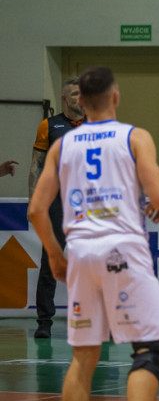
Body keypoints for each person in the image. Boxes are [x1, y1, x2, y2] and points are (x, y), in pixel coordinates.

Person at [27, 66, 159, 401]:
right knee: (149, 350)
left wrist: (56, 255)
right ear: (115, 97)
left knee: (83, 356)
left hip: (79, 253)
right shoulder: (134, 136)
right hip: (122, 249)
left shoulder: (63, 143)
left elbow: (37, 210)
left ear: (82, 101)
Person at [28, 76, 86, 339]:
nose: (80, 99)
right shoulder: (49, 126)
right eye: (74, 94)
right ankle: (44, 321)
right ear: (65, 97)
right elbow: (36, 166)